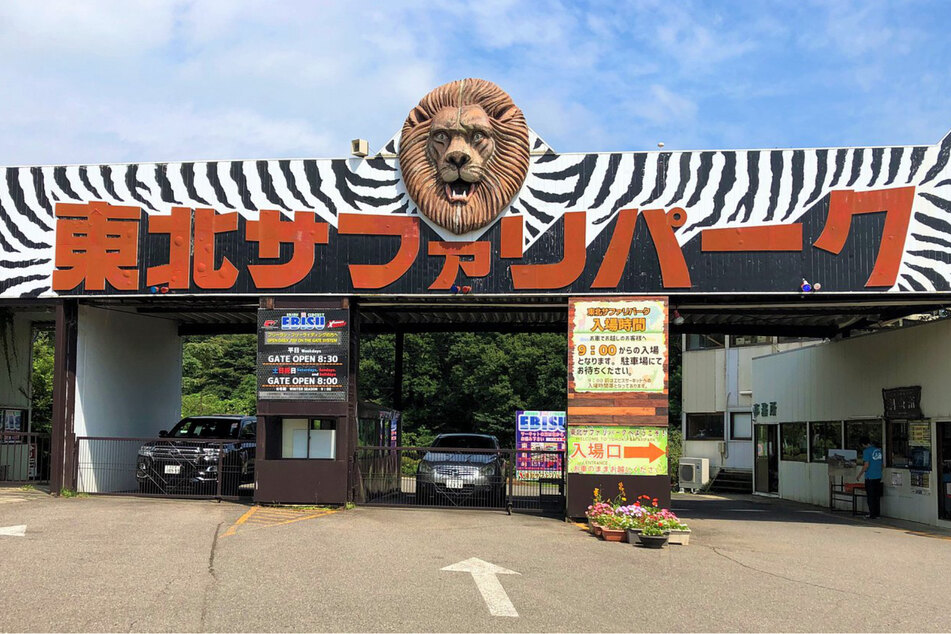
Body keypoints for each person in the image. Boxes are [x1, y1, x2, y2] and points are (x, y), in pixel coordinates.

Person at [856, 436, 884, 519]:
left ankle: (872, 514)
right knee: (876, 496)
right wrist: (878, 472)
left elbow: (866, 465)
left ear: (863, 444)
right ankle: (877, 514)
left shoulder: (866, 451)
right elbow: (882, 465)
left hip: (870, 477)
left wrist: (859, 474)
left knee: (870, 496)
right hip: (878, 476)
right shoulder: (878, 451)